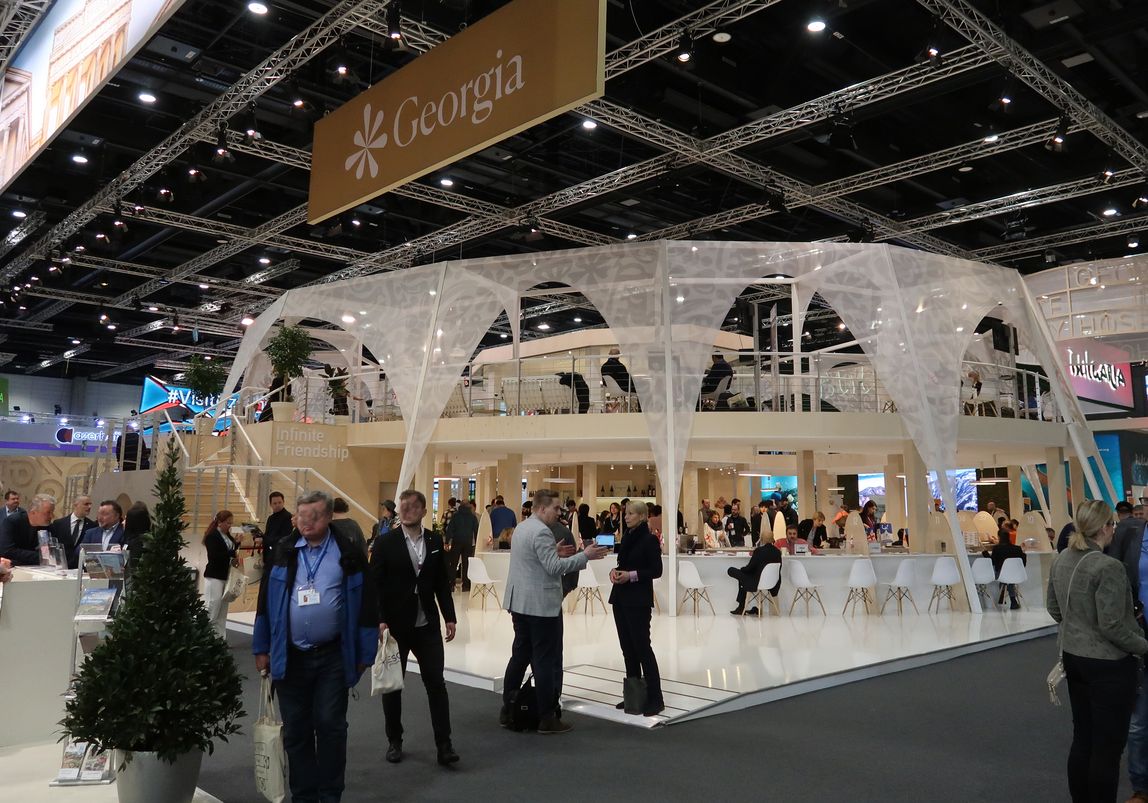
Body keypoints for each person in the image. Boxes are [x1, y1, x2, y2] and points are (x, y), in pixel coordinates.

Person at [253, 490, 378, 803]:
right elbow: (265, 603)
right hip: (290, 656)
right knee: (296, 730)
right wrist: (261, 647)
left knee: (330, 726)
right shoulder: (284, 551)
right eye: (302, 516)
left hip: (332, 656)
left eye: (314, 516)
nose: (306, 522)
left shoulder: (348, 553)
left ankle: (330, 794)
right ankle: (304, 796)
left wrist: (365, 653)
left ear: (329, 516)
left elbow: (367, 604)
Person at [1047, 499, 1148, 803]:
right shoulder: (1108, 567)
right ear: (1105, 527)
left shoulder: (1062, 559)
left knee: (1084, 739)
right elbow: (1114, 626)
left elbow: (1054, 608)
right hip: (1108, 667)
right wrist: (1144, 646)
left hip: (1073, 658)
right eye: (1112, 525)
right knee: (1107, 748)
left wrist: (1079, 624)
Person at [500, 488, 607, 734]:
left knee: (519, 656)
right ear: (542, 508)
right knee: (544, 661)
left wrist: (553, 552)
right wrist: (585, 556)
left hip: (521, 604)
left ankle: (509, 708)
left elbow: (532, 560)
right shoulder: (541, 531)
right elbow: (553, 568)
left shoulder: (522, 528)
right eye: (556, 508)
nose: (560, 513)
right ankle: (547, 717)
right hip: (540, 606)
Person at [372, 489, 459, 766]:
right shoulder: (385, 543)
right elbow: (375, 586)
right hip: (395, 626)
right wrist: (380, 619)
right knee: (393, 687)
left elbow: (441, 582)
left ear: (423, 511)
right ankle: (394, 740)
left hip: (427, 625)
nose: (407, 510)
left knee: (436, 684)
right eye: (403, 506)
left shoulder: (434, 540)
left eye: (412, 506)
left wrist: (449, 616)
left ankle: (444, 745)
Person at [608, 500, 664, 716]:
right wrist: (615, 572)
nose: (626, 516)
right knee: (627, 649)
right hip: (621, 598)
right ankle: (633, 694)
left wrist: (630, 576)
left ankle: (655, 698)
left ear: (642, 516)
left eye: (631, 513)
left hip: (638, 600)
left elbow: (656, 570)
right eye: (626, 513)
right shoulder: (627, 538)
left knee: (642, 648)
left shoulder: (649, 540)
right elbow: (623, 564)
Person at [728, 531, 782, 615]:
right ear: (772, 539)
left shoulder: (759, 551)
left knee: (731, 570)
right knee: (742, 579)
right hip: (773, 583)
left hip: (757, 581)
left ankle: (741, 607)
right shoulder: (777, 552)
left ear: (762, 539)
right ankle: (741, 607)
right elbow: (779, 568)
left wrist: (742, 569)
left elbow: (750, 567)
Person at [203, 510, 238, 639]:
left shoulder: (228, 536)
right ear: (219, 522)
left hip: (225, 575)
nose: (230, 526)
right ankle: (207, 636)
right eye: (228, 523)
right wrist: (230, 553)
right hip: (214, 576)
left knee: (223, 609)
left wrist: (237, 544)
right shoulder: (212, 536)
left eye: (231, 523)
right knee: (213, 605)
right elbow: (214, 556)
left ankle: (220, 638)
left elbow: (231, 551)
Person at [0, 493, 55, 565]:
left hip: (36, 567)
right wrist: (40, 557)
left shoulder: (47, 526)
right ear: (33, 512)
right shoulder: (12, 521)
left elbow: (47, 553)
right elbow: (7, 551)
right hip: (11, 566)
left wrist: (43, 557)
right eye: (48, 512)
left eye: (52, 512)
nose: (52, 516)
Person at [982, 527, 1027, 609]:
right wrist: (1023, 552)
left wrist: (985, 553)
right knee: (1009, 580)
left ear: (999, 537)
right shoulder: (1017, 549)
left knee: (1005, 579)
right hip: (1016, 574)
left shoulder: (997, 549)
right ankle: (1012, 600)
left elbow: (992, 562)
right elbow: (1023, 564)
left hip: (1001, 575)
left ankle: (1003, 597)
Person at [73, 500, 125, 564]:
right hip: (93, 568)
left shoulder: (124, 532)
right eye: (99, 514)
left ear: (116, 516)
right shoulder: (91, 533)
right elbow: (78, 552)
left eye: (104, 514)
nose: (99, 518)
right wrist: (90, 551)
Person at [50, 495, 94, 570]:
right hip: (59, 566)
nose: (89, 507)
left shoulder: (92, 526)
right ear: (75, 505)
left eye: (90, 504)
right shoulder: (59, 523)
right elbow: (53, 545)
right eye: (86, 504)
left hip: (79, 568)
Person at [445, 498, 479, 592]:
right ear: (469, 506)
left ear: (460, 506)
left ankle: (451, 584)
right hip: (468, 542)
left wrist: (447, 541)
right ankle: (466, 585)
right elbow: (476, 530)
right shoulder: (472, 517)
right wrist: (477, 542)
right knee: (466, 564)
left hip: (456, 541)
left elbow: (450, 529)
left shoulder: (456, 516)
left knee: (454, 563)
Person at [262, 491, 294, 571]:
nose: (277, 505)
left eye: (279, 502)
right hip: (269, 555)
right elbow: (267, 534)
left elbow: (284, 537)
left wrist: (264, 540)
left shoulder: (287, 517)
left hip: (279, 557)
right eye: (275, 503)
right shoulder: (270, 518)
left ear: (283, 502)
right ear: (271, 504)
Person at [123, 502, 151, 569]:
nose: (123, 522)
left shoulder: (137, 543)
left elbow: (132, 568)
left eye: (126, 519)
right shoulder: (147, 539)